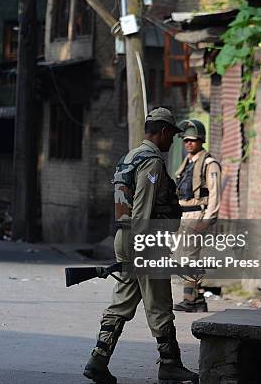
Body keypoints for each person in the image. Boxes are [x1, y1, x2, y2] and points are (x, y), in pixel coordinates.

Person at [83, 107, 198, 384]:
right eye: (171, 135)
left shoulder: (130, 157)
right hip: (144, 238)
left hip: (127, 237)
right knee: (159, 302)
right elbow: (143, 210)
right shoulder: (152, 162)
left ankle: (98, 360)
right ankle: (170, 364)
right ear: (162, 132)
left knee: (122, 301)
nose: (172, 142)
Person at [173, 119, 221, 313]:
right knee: (181, 257)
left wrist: (207, 219)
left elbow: (215, 193)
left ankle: (190, 299)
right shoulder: (187, 163)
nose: (188, 143)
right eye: (186, 140)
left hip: (196, 215)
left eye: (193, 140)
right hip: (183, 215)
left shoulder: (209, 163)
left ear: (201, 140)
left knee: (189, 258)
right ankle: (198, 299)